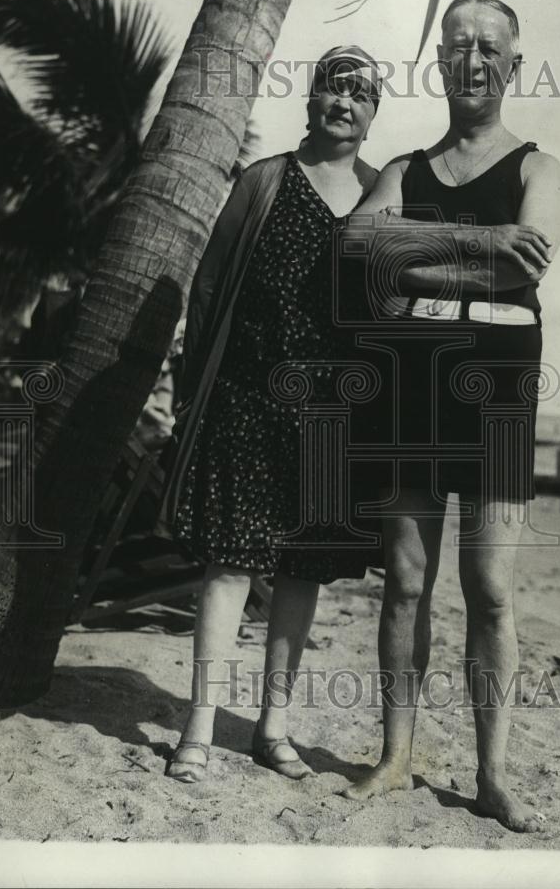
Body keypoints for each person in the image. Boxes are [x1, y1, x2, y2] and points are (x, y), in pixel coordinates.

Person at [340, 0, 560, 833]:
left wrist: (413, 261)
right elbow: (357, 249)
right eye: (455, 45)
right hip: (412, 375)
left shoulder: (539, 169)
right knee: (403, 583)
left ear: (512, 63)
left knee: (490, 589)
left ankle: (491, 773)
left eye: (488, 47)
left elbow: (525, 269)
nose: (470, 59)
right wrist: (480, 247)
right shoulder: (403, 169)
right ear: (437, 60)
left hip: (500, 383)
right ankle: (396, 758)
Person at [161, 46, 382, 783]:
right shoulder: (264, 181)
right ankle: (196, 729)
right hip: (247, 401)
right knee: (228, 568)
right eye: (331, 90)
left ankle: (273, 730)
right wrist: (194, 392)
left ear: (372, 112)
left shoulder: (384, 194)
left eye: (359, 94)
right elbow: (209, 285)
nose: (342, 103)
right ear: (311, 100)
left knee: (301, 574)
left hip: (332, 418)